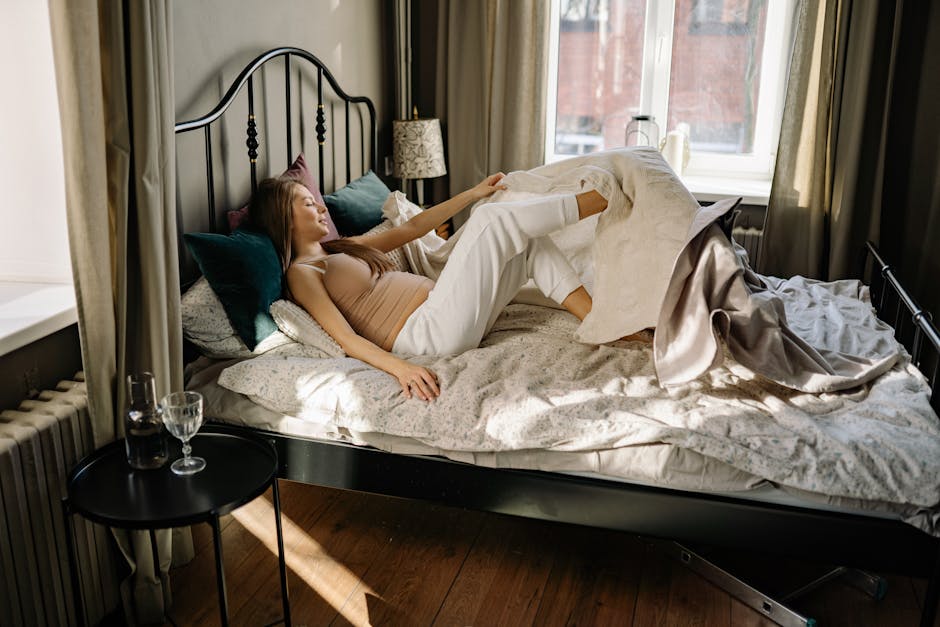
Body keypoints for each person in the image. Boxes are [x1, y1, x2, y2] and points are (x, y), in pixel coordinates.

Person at [248, 173, 610, 401]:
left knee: (525, 241)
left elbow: (413, 228)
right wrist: (400, 369)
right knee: (491, 221)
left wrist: (472, 193)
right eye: (309, 204)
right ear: (284, 216)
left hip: (443, 313)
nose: (322, 210)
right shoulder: (302, 272)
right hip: (425, 334)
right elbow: (344, 338)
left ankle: (597, 321)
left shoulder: (339, 248)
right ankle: (599, 199)